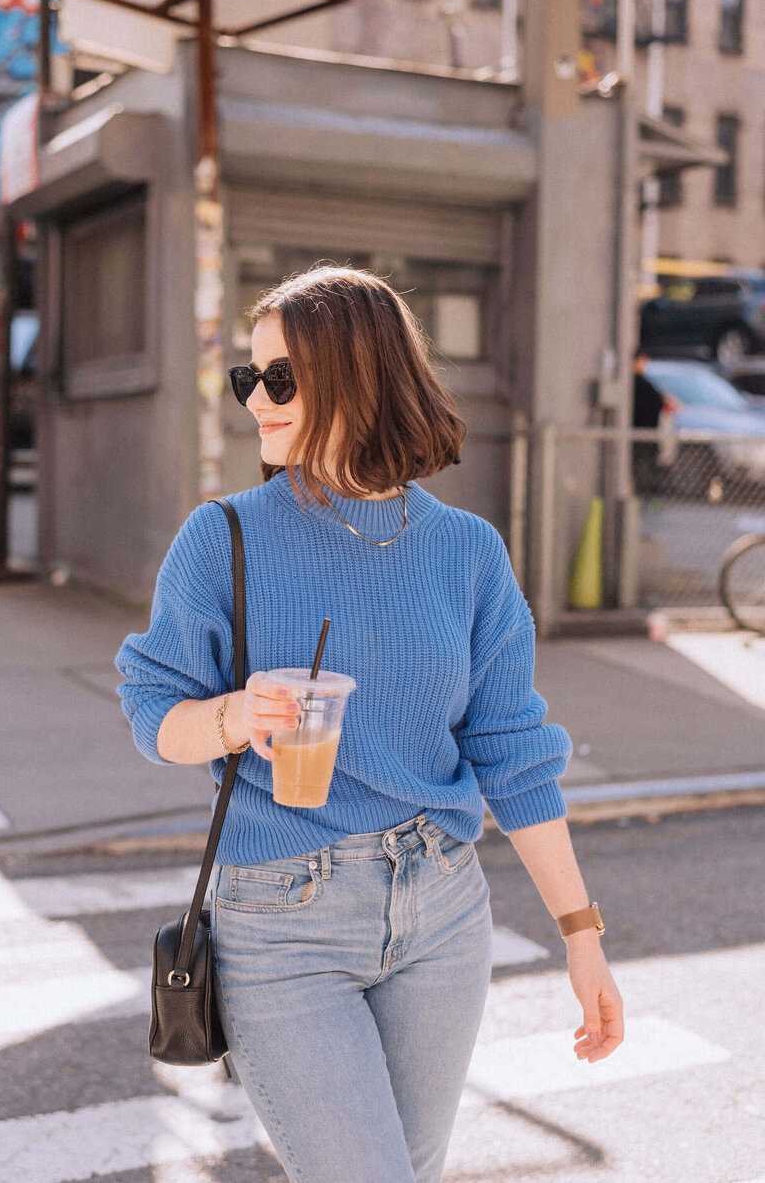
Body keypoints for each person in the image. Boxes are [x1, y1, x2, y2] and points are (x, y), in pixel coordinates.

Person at [115, 265, 623, 1183]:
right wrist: (235, 714)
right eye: (249, 378)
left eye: (281, 378)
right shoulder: (223, 535)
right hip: (281, 918)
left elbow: (513, 752)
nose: (256, 400)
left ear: (357, 375)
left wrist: (580, 934)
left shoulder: (468, 551)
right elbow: (155, 716)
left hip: (442, 910)